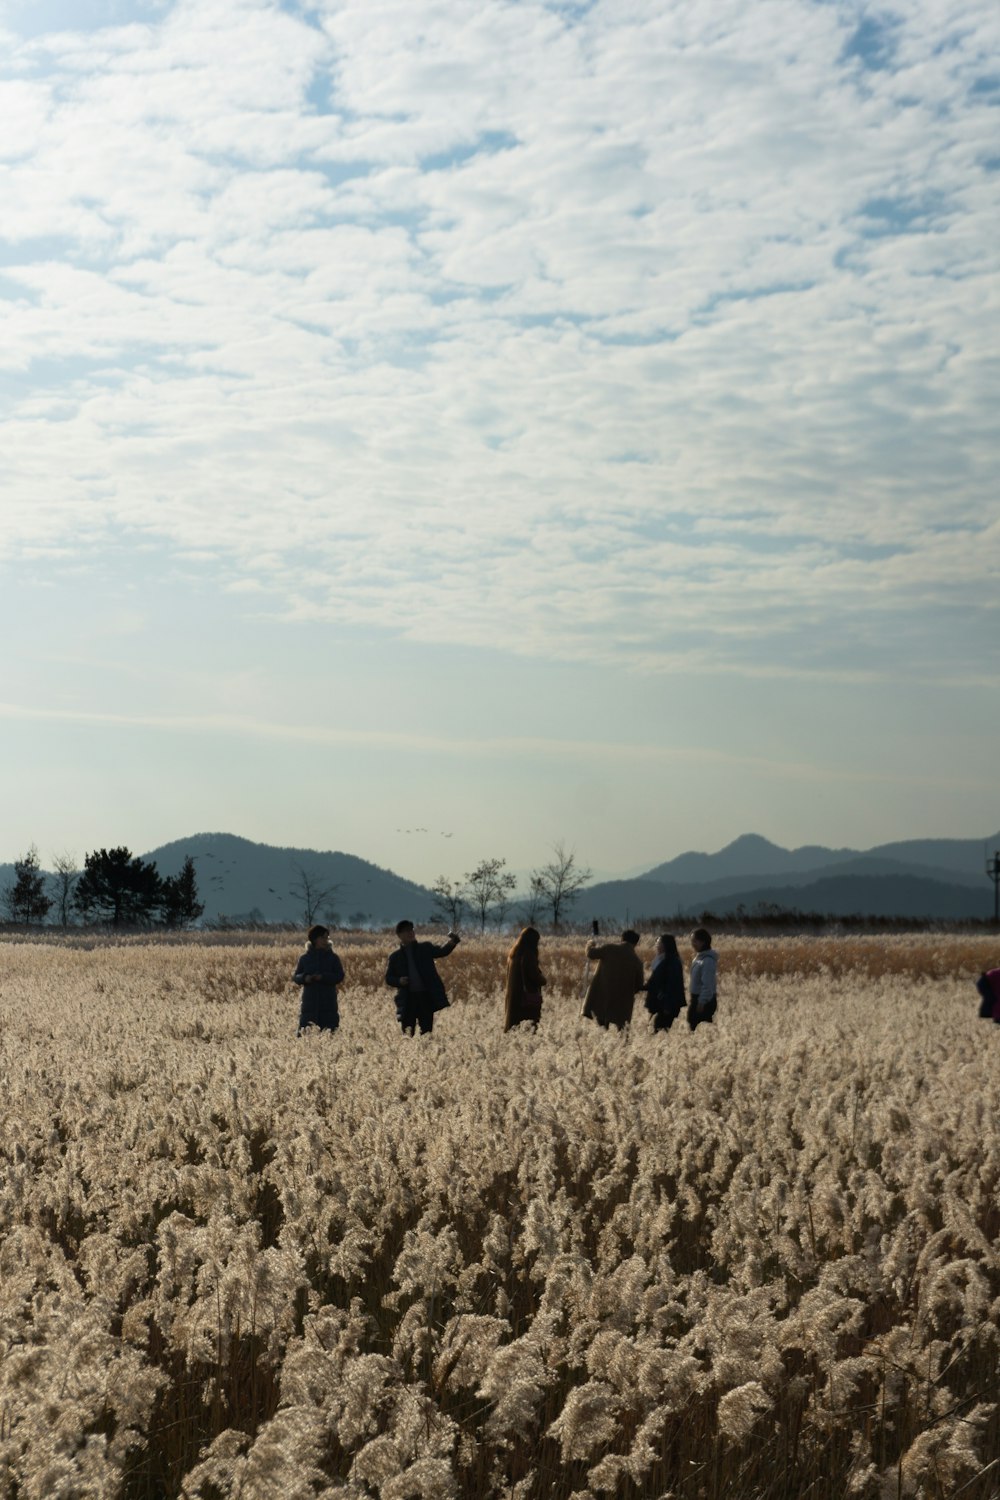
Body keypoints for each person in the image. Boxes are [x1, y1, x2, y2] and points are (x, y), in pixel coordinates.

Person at [385, 920, 460, 1035]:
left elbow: (442, 951)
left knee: (427, 1032)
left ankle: (426, 1051)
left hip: (426, 996)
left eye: (411, 930)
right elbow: (388, 978)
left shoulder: (425, 948)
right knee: (407, 1032)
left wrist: (453, 942)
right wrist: (399, 981)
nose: (410, 933)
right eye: (406, 931)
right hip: (407, 999)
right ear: (399, 935)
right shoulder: (395, 957)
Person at [582, 929, 644, 1029]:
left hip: (602, 997)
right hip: (622, 1004)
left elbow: (590, 954)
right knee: (621, 1031)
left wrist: (590, 944)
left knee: (602, 1027)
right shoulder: (637, 961)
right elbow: (639, 985)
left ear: (622, 939)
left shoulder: (609, 948)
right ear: (635, 943)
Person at [292, 924, 345, 1034]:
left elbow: (340, 976)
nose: (326, 940)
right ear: (315, 939)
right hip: (309, 1005)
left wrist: (323, 977)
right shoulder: (305, 958)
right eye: (323, 937)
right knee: (306, 1036)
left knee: (330, 1035)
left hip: (328, 1005)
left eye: (327, 938)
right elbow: (296, 977)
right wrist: (305, 978)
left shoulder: (333, 958)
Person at [504, 927, 545, 1031]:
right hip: (525, 1003)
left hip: (514, 1000)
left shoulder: (513, 955)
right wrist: (543, 979)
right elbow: (535, 977)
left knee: (514, 1031)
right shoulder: (528, 955)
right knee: (527, 1032)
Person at [644, 933, 685, 1031]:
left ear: (667, 945)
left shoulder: (672, 962)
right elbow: (654, 982)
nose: (656, 946)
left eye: (659, 943)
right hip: (658, 1003)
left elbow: (673, 985)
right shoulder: (659, 960)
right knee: (656, 1030)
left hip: (666, 1004)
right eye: (656, 943)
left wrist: (668, 1006)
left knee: (659, 1030)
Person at [687, 927, 718, 1030]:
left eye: (695, 941)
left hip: (704, 1001)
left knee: (699, 1029)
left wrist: (702, 1001)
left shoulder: (707, 960)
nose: (692, 944)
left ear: (703, 942)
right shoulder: (699, 958)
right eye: (692, 941)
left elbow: (708, 983)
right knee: (693, 1026)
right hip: (697, 999)